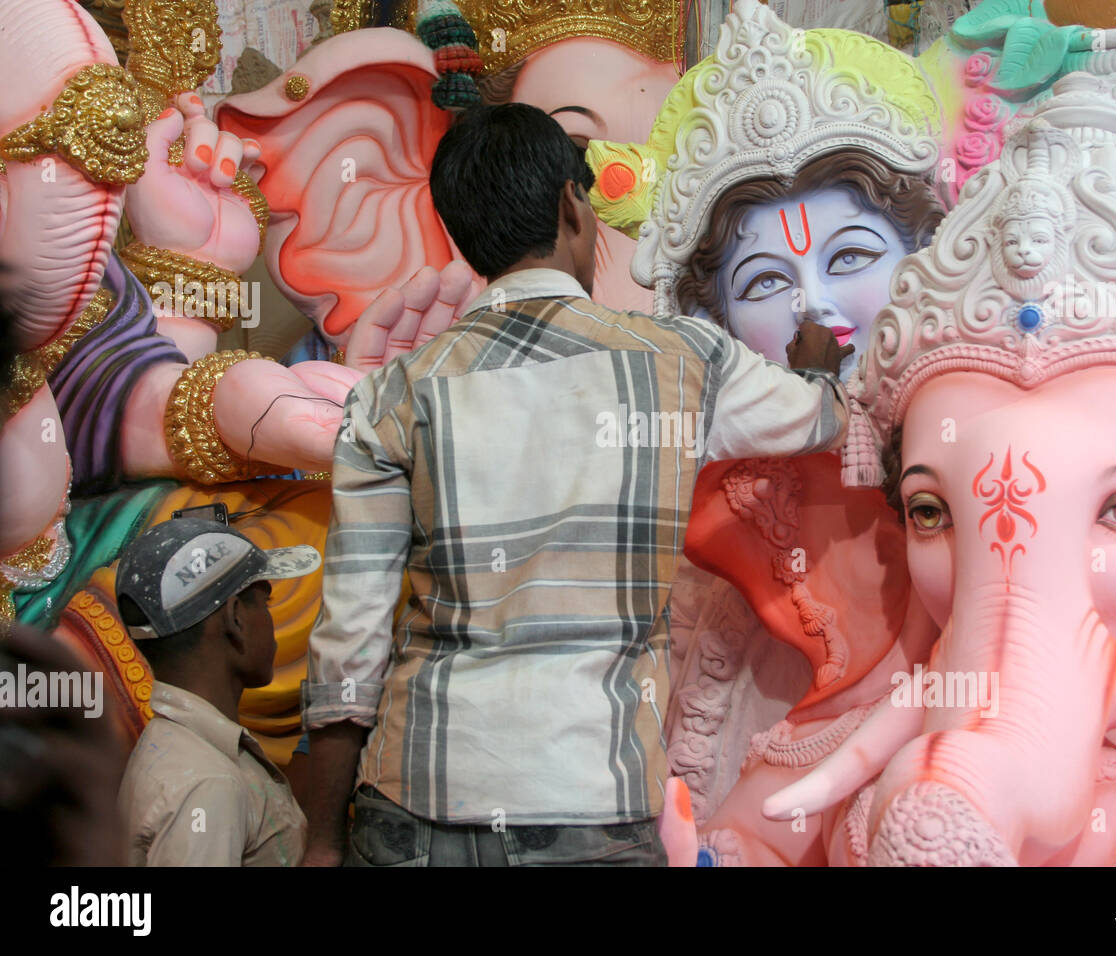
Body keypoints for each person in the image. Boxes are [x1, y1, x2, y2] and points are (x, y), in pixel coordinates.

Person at [301, 102, 853, 867]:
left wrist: (321, 842)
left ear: (463, 237)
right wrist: (818, 370)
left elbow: (349, 644)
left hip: (417, 804)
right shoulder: (683, 363)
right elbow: (825, 419)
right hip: (591, 801)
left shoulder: (392, 395)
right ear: (573, 204)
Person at [115, 517, 321, 866]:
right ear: (236, 618)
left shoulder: (176, 748)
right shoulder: (208, 783)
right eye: (265, 603)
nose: (270, 622)